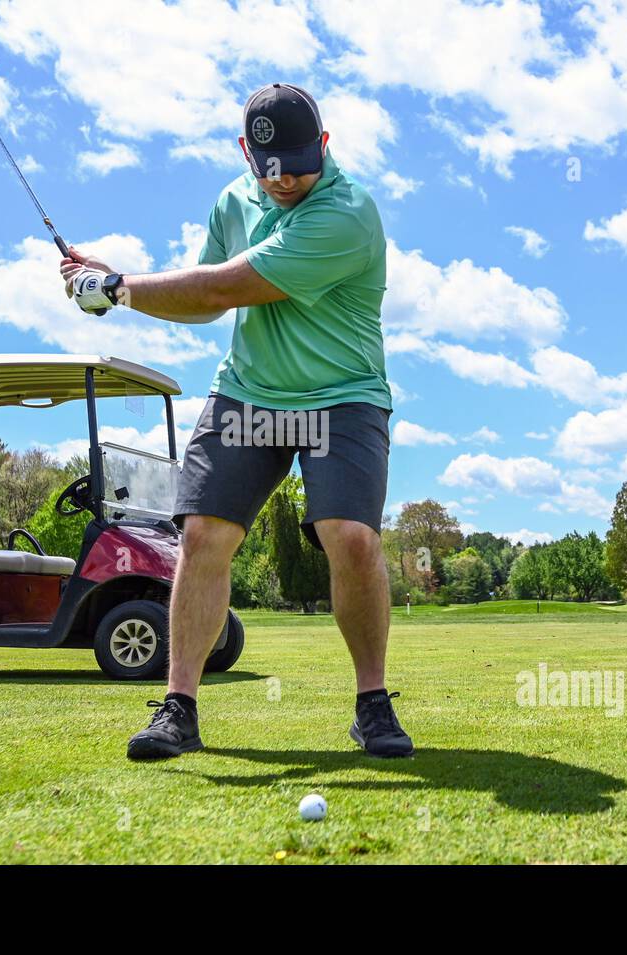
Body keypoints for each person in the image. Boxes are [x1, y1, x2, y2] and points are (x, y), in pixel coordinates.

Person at [60, 83, 412, 760]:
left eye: (302, 168)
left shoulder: (346, 213)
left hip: (341, 399)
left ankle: (372, 703)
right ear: (247, 156)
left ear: (326, 147)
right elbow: (206, 298)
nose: (287, 184)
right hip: (251, 395)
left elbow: (225, 286)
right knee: (202, 533)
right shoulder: (233, 200)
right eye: (272, 171)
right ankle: (178, 708)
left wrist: (119, 289)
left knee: (352, 538)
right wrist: (115, 284)